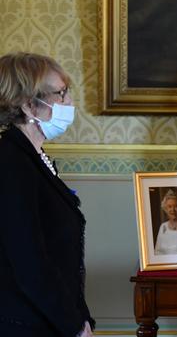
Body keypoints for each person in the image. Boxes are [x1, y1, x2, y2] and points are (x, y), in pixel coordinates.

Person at [0, 52, 94, 336]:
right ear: (29, 106)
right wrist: (75, 325)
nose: (70, 103)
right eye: (61, 94)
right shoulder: (10, 163)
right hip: (25, 325)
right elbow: (30, 262)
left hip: (48, 320)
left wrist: (82, 317)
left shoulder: (33, 157)